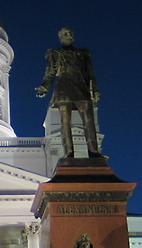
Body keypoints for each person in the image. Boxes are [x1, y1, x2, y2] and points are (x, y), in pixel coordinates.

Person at [36, 28, 102, 159]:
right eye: (65, 34)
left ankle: (94, 151)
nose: (69, 35)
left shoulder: (82, 54)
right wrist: (44, 87)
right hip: (63, 88)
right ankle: (68, 152)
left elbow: (90, 73)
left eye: (71, 33)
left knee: (89, 120)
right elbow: (50, 73)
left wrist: (94, 89)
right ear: (60, 38)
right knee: (65, 122)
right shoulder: (55, 53)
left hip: (80, 86)